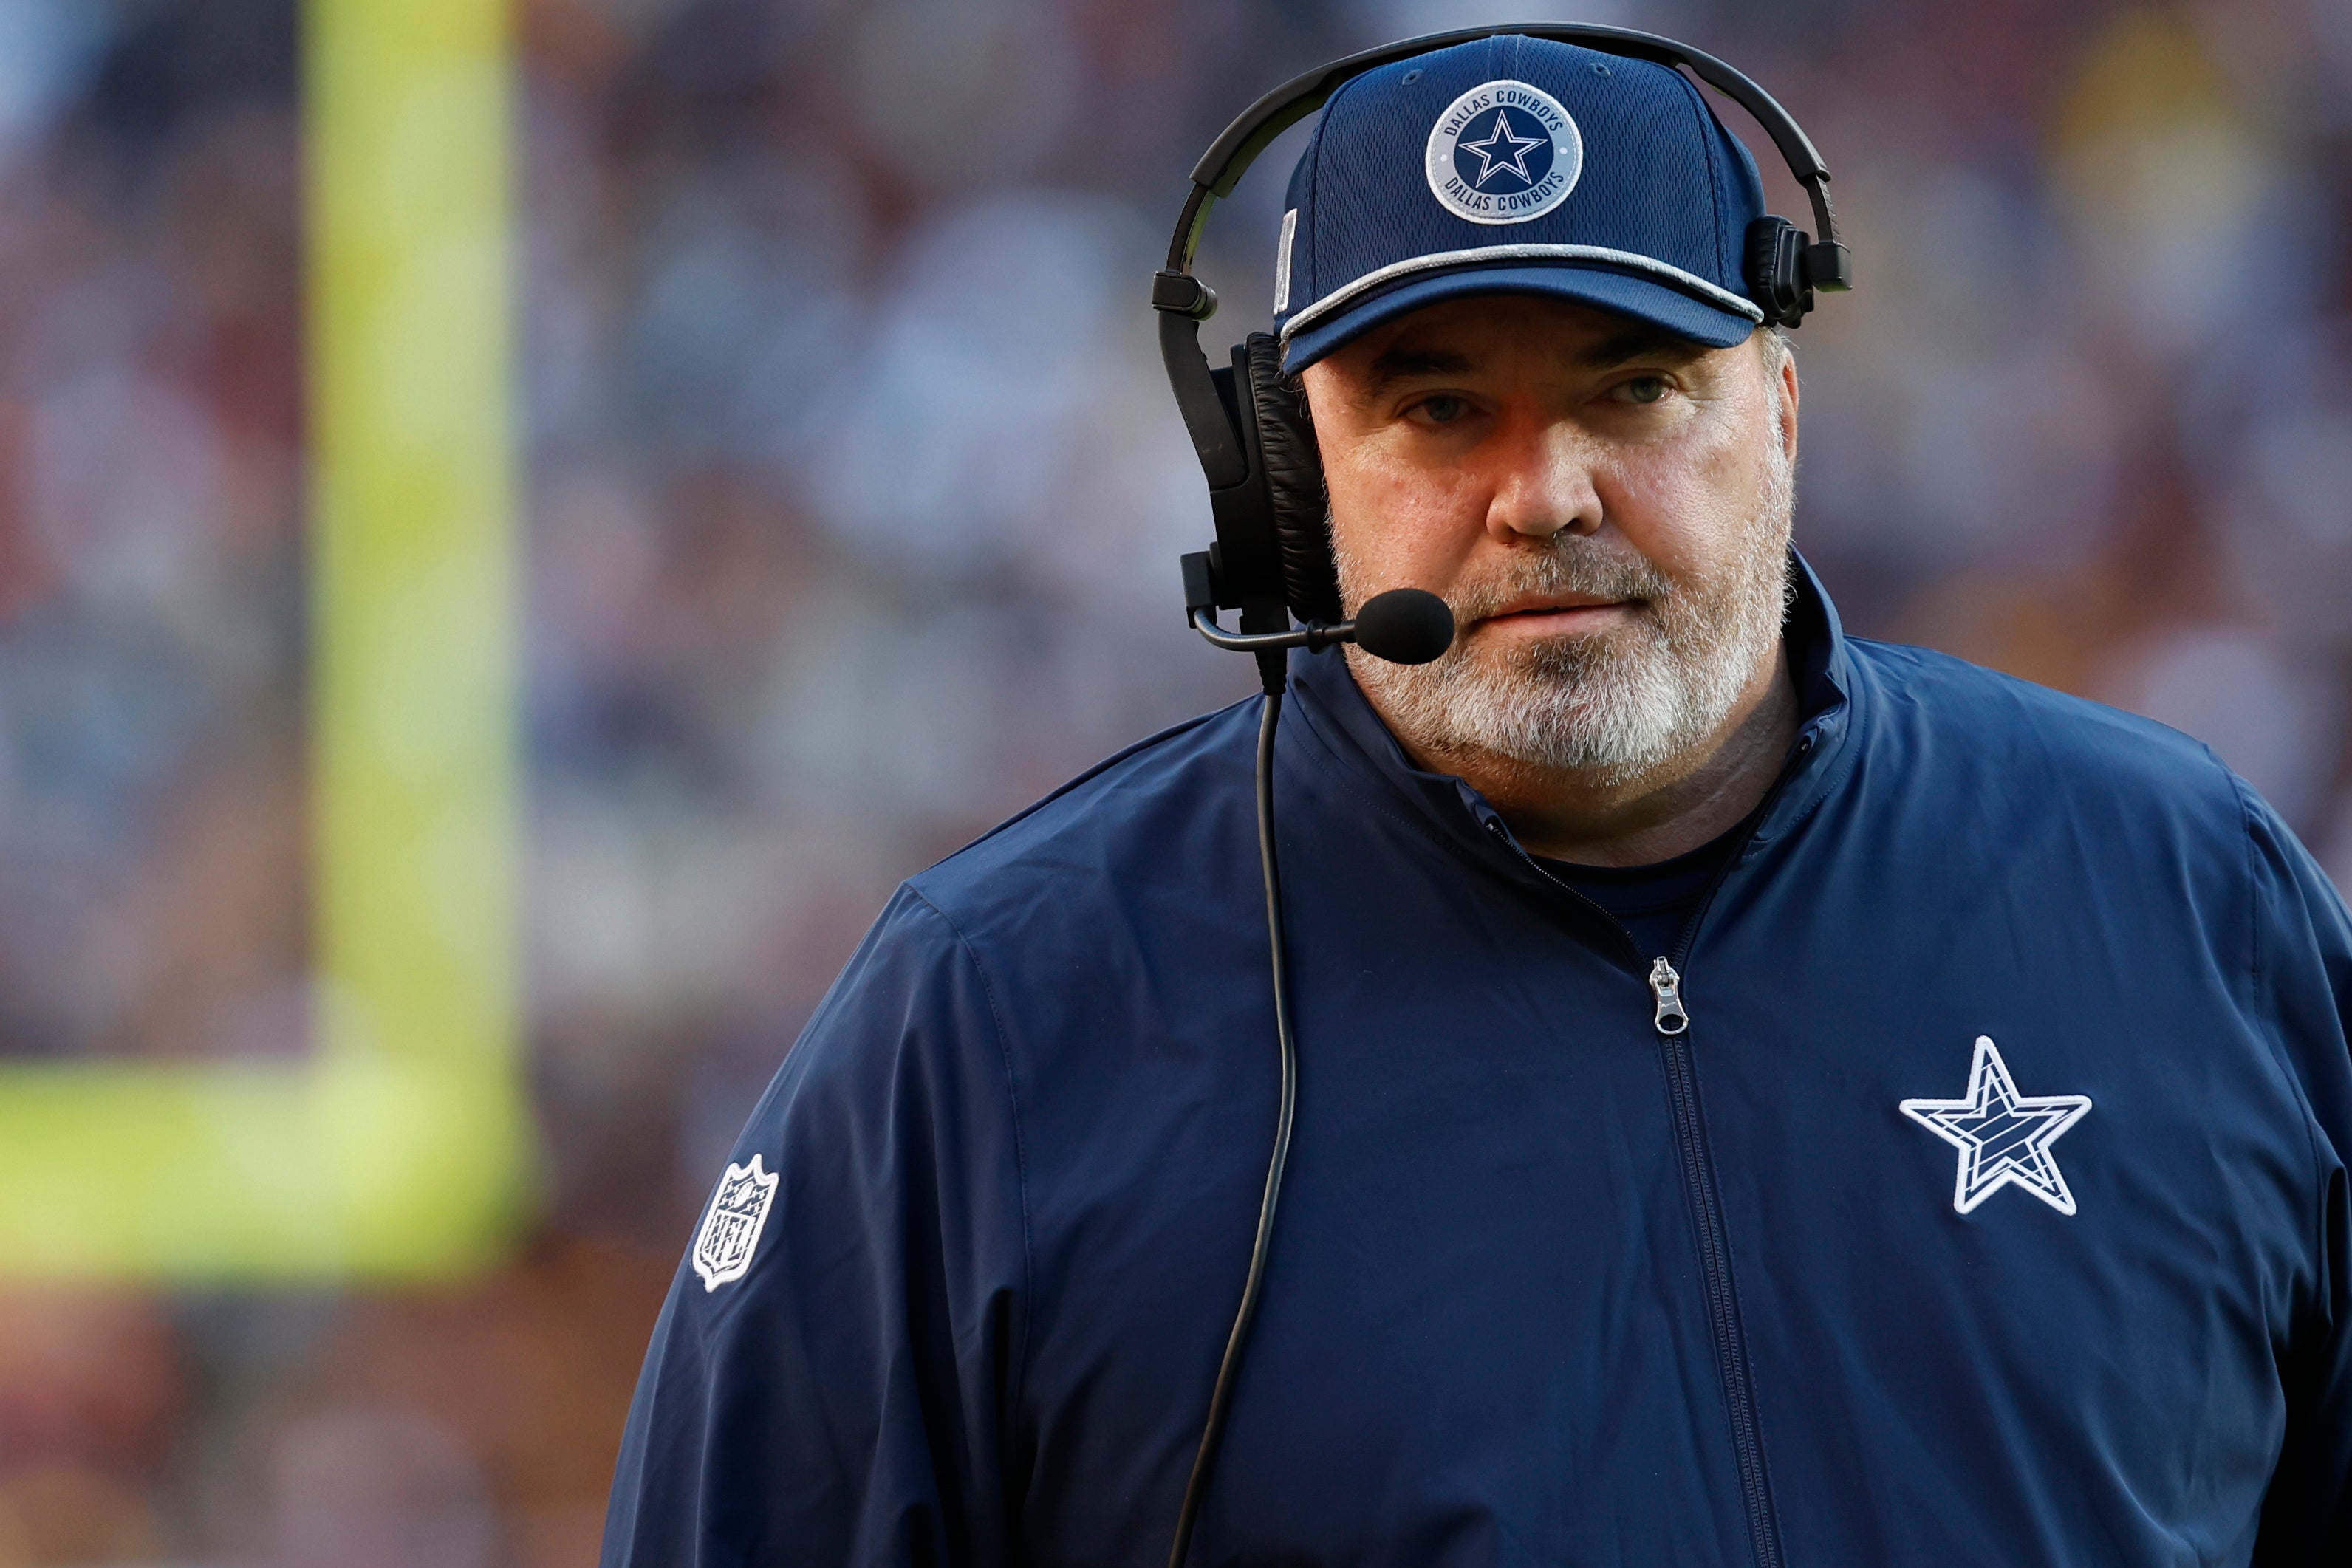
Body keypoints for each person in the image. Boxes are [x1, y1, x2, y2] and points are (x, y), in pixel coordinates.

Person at [601, 32, 2352, 1567]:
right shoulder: (993, 1020)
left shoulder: (2176, 889)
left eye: (1635, 388)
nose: (1547, 496)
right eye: (1440, 410)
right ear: (1293, 478)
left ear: (1785, 413)